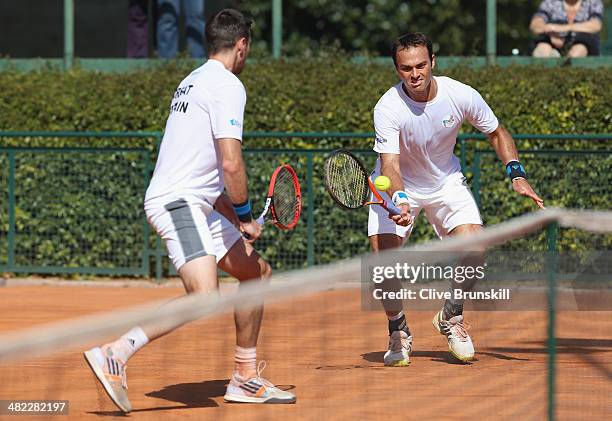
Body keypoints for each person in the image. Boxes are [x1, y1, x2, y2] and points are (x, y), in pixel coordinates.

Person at [84, 9, 295, 413]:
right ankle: (115, 352)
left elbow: (205, 168)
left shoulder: (191, 81)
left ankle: (245, 377)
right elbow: (231, 162)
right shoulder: (228, 85)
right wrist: (247, 215)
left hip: (195, 202)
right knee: (203, 296)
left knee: (257, 273)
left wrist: (233, 218)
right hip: (177, 203)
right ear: (242, 46)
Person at [370, 33, 545, 366]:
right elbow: (391, 164)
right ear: (396, 69)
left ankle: (451, 317)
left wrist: (516, 174)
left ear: (433, 62)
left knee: (476, 246)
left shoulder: (460, 94)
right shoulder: (388, 106)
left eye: (421, 65)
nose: (415, 73)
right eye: (406, 68)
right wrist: (401, 199)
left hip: (446, 181)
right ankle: (398, 331)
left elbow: (496, 132)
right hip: (398, 184)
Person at [530, 0, 604, 57]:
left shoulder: (593, 2)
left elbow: (596, 25)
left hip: (584, 46)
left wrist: (561, 28)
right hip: (553, 45)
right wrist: (551, 33)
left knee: (579, 50)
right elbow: (535, 25)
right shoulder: (550, 3)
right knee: (542, 49)